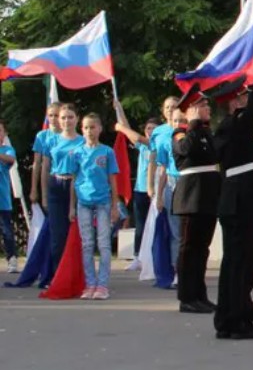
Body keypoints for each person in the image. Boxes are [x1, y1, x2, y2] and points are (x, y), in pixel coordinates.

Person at [208, 44, 253, 341]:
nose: (248, 100)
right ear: (234, 102)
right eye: (243, 96)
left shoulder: (229, 127)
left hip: (237, 199)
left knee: (235, 262)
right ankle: (237, 319)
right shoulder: (235, 124)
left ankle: (229, 317)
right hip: (241, 200)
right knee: (243, 262)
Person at [171, 84, 219, 315]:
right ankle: (187, 297)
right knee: (189, 250)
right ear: (191, 110)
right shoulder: (180, 132)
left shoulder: (204, 132)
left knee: (202, 250)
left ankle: (200, 295)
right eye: (202, 105)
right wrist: (191, 123)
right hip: (191, 198)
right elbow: (185, 149)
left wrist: (199, 127)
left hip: (208, 197)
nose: (208, 107)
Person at [61, 113, 120, 300]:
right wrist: (72, 206)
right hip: (83, 202)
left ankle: (102, 285)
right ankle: (89, 284)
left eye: (93, 127)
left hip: (102, 201)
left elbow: (113, 179)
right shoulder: (77, 153)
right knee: (87, 244)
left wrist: (115, 206)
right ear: (82, 129)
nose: (89, 131)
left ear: (100, 129)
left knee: (103, 243)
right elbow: (73, 180)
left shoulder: (107, 152)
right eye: (86, 128)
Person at [41, 104, 84, 286]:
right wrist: (43, 194)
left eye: (70, 117)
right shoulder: (52, 140)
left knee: (77, 235)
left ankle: (78, 277)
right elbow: (44, 166)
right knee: (58, 236)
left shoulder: (83, 141)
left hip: (76, 187)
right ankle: (59, 277)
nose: (67, 121)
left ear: (77, 119)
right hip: (55, 186)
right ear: (58, 120)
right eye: (63, 117)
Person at [113, 105, 157, 270]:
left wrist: (122, 128)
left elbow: (134, 136)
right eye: (148, 128)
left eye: (153, 128)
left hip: (154, 190)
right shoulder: (143, 146)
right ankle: (138, 257)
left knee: (154, 224)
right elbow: (130, 134)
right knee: (140, 225)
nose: (150, 131)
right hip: (140, 189)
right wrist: (119, 109)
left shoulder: (156, 143)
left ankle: (153, 256)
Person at [149, 98, 183, 283]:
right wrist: (158, 194)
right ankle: (177, 272)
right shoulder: (162, 136)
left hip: (189, 182)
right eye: (168, 108)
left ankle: (192, 269)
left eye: (175, 108)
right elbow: (160, 167)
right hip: (171, 182)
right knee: (176, 231)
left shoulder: (190, 134)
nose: (172, 112)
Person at [30, 102, 62, 225]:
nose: (53, 119)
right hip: (49, 181)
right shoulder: (42, 136)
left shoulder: (69, 136)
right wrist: (34, 189)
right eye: (51, 115)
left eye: (56, 115)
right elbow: (38, 164)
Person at [0, 121, 17, 273]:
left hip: (3, 201)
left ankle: (12, 258)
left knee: (7, 232)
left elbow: (11, 160)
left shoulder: (8, 150)